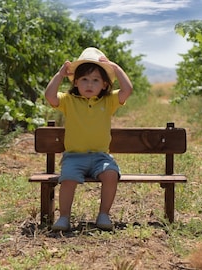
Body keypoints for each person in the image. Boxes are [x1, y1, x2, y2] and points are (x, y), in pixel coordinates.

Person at [45, 47, 133, 231]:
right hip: (74, 156)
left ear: (104, 85)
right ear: (76, 82)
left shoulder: (108, 101)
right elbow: (50, 96)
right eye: (84, 79)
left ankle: (103, 215)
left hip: (101, 157)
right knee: (67, 178)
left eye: (95, 80)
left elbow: (127, 89)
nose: (89, 84)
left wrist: (115, 68)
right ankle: (64, 217)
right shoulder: (69, 100)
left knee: (111, 175)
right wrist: (60, 75)